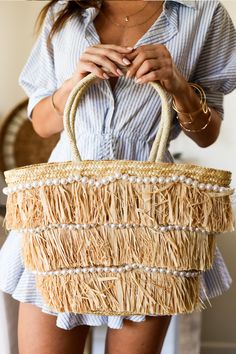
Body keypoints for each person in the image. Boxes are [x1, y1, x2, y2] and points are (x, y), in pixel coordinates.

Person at [0, 1, 236, 353]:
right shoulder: (65, 12)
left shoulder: (203, 13)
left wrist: (178, 86)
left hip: (150, 216)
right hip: (61, 213)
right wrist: (72, 86)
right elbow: (41, 124)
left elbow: (207, 133)